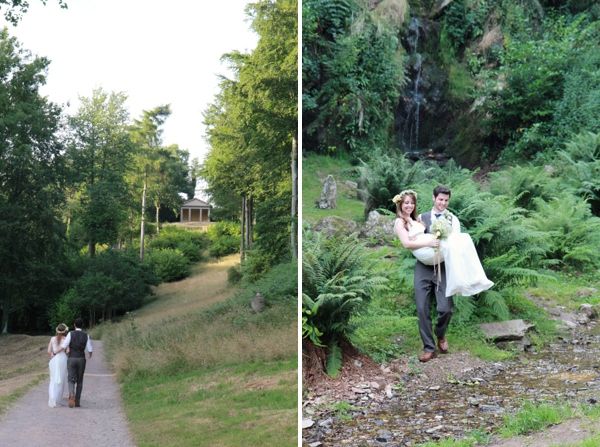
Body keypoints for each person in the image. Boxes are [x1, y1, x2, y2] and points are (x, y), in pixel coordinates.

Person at [393, 186, 493, 362]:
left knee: (445, 308)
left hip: (444, 266)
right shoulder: (421, 217)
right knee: (422, 307)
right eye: (440, 199)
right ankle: (429, 348)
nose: (443, 203)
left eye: (446, 200)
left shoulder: (452, 219)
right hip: (423, 267)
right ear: (433, 198)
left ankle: (441, 334)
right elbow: (414, 238)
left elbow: (455, 245)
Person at [61, 317, 93, 408]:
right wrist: (90, 355)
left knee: (70, 378)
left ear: (74, 325)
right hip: (81, 359)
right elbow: (90, 349)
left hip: (71, 358)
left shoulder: (70, 334)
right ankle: (77, 401)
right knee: (80, 380)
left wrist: (66, 353)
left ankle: (71, 394)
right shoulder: (86, 335)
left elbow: (64, 346)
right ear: (82, 325)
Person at [47, 323, 69, 407]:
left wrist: (53, 354)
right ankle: (57, 399)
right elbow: (67, 351)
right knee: (61, 379)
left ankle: (52, 398)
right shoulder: (66, 339)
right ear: (65, 331)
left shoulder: (52, 339)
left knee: (53, 379)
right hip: (63, 359)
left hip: (54, 360)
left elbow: (49, 351)